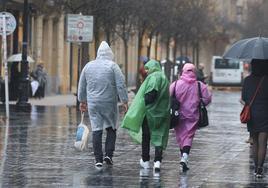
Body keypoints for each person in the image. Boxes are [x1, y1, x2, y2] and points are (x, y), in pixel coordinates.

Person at [78, 41, 128, 168]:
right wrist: (124, 101)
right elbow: (120, 85)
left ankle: (98, 159)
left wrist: (82, 101)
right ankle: (108, 155)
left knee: (96, 129)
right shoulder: (113, 66)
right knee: (111, 128)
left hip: (93, 103)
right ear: (110, 53)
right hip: (109, 103)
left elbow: (82, 85)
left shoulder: (88, 66)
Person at [121, 59, 170, 172]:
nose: (146, 71)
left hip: (150, 114)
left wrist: (142, 102)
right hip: (162, 114)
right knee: (159, 137)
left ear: (152, 67)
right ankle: (157, 162)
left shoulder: (153, 78)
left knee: (146, 137)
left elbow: (151, 95)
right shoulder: (164, 78)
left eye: (147, 68)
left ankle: (145, 160)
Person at [169, 63, 212, 172]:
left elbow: (168, 97)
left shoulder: (175, 84)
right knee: (188, 136)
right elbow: (207, 98)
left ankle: (183, 157)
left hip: (177, 115)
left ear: (183, 71)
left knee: (180, 137)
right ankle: (184, 157)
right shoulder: (199, 85)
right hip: (193, 115)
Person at [241, 59, 268, 178]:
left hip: (252, 114)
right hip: (266, 113)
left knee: (255, 142)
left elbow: (244, 98)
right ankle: (260, 169)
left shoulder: (247, 80)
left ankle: (256, 167)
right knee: (263, 142)